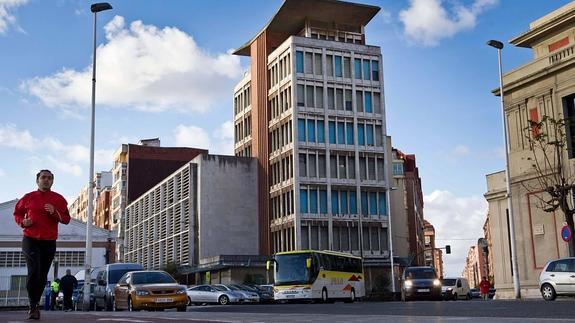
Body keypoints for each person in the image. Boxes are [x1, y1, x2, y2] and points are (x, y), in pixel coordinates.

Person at [14, 170, 71, 320]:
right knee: (34, 269)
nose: (46, 180)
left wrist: (54, 212)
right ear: (37, 180)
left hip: (49, 242)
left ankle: (35, 304)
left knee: (42, 274)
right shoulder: (28, 197)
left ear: (52, 181)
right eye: (43, 177)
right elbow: (17, 213)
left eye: (49, 178)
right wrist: (22, 222)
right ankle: (33, 307)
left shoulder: (58, 199)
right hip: (30, 239)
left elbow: (66, 219)